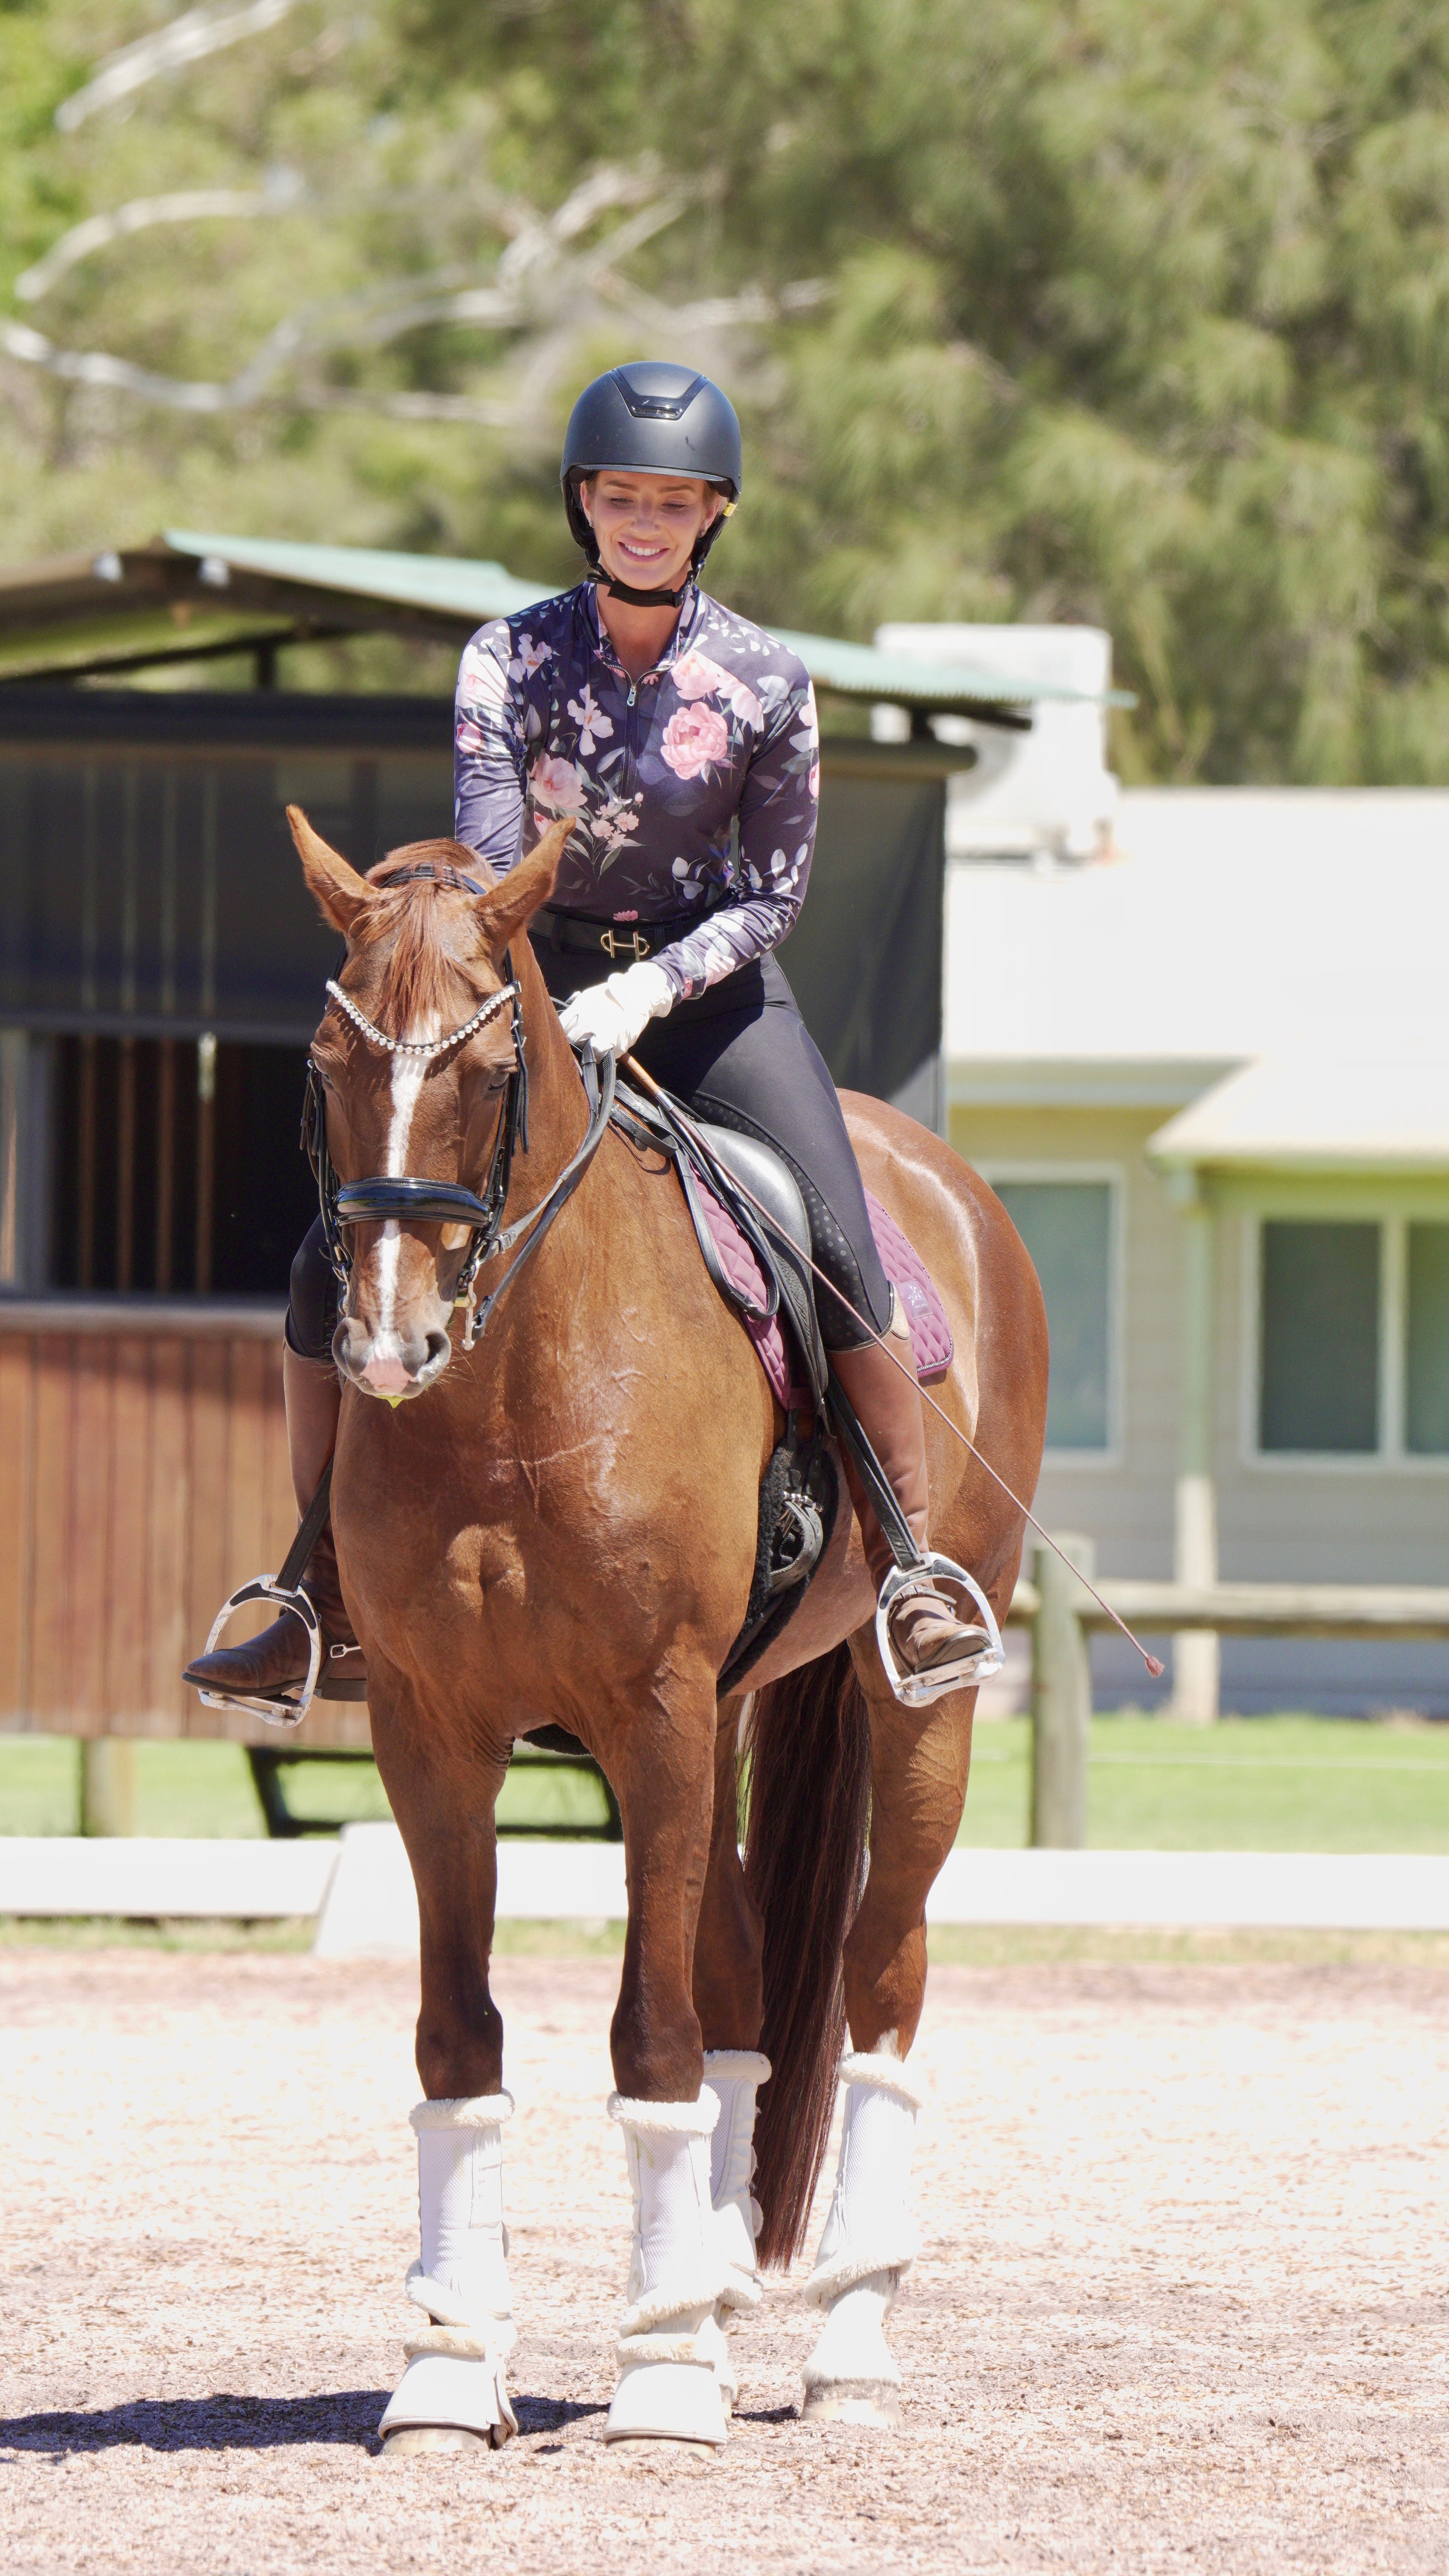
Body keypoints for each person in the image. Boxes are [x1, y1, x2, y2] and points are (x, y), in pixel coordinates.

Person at [186, 361, 985, 1710]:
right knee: (333, 1261)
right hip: (526, 995)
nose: (645, 520)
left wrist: (654, 988)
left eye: (674, 500)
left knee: (844, 1250)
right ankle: (312, 1588)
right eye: (622, 495)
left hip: (711, 1000)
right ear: (585, 503)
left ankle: (907, 1568)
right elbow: (499, 855)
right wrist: (541, 988)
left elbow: (773, 893)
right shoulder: (507, 657)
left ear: (713, 515)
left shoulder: (766, 681)